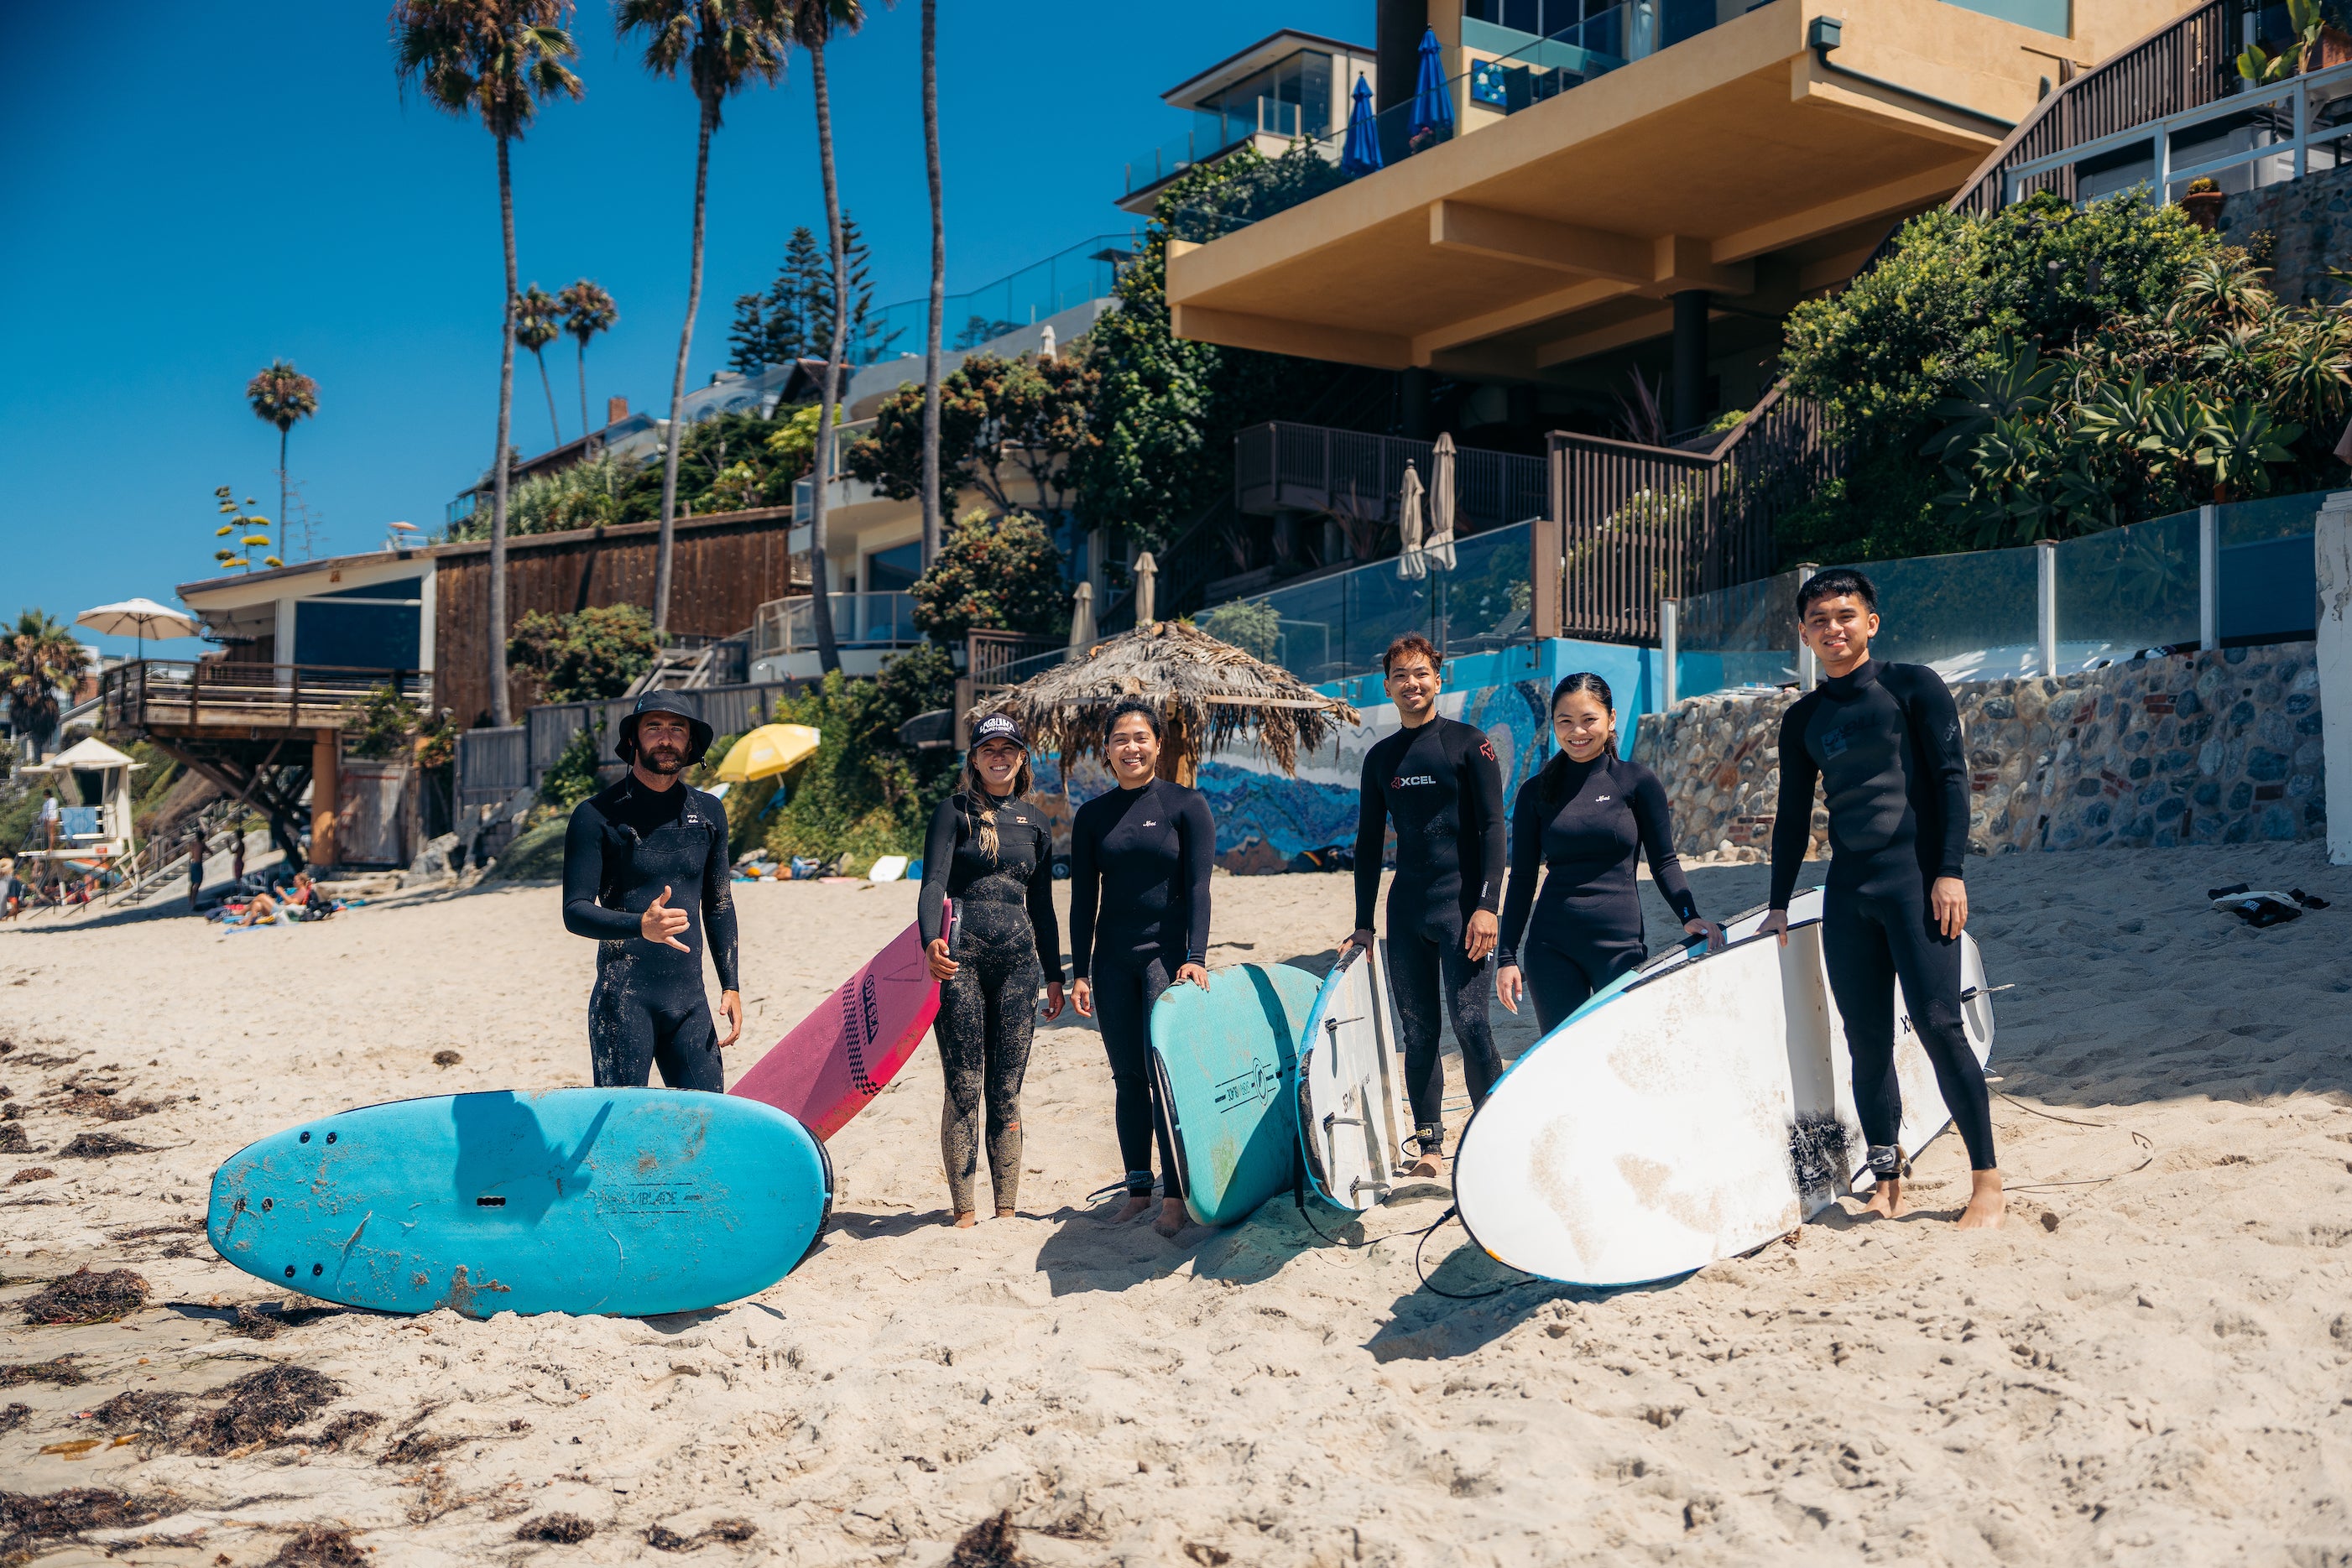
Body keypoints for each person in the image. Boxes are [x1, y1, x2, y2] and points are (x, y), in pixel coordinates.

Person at [1759, 569, 2003, 1230]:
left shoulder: (1911, 686)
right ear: (1804, 633)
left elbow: (1952, 780)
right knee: (1864, 1041)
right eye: (1817, 619)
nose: (1831, 628)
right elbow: (1790, 818)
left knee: (1938, 1024)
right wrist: (1777, 902)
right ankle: (1888, 1176)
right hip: (1849, 891)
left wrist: (1948, 871)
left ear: (1870, 621)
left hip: (1915, 882)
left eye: (1844, 614)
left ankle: (1986, 1182)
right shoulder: (1803, 718)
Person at [1339, 633, 1505, 1180]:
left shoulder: (1469, 743)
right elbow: (1367, 844)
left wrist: (1487, 905)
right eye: (1400, 676)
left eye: (1420, 673)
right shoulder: (1380, 758)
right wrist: (1363, 925)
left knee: (1472, 1023)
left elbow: (1491, 828)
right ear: (1386, 687)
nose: (1411, 683)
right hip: (1406, 911)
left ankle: (1490, 1135)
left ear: (1439, 677)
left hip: (1462, 910)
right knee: (1418, 1033)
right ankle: (1430, 1147)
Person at [1494, 674, 1719, 1033]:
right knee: (1566, 1060)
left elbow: (1664, 861)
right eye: (1564, 721)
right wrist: (1506, 956)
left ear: (1611, 719)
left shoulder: (1637, 782)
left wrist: (1688, 915)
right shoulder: (1535, 793)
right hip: (1551, 947)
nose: (1577, 731)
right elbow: (1522, 878)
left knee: (1625, 1049)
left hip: (1619, 945)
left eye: (1588, 719)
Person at [1066, 698, 1213, 1237]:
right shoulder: (1093, 816)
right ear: (1107, 750)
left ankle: (1176, 1195)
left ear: (1157, 744)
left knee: (1165, 1077)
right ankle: (1138, 1189)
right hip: (1112, 961)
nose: (1131, 747)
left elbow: (1199, 887)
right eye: (1120, 739)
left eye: (1140, 738)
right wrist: (1079, 970)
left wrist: (1195, 958)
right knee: (1128, 1078)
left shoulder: (1185, 805)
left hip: (1166, 959)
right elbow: (1084, 899)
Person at [918, 713, 1065, 1228]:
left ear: (1022, 757)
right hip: (960, 961)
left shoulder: (1036, 821)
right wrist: (929, 942)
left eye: (1008, 749)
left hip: (1020, 965)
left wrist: (1054, 974)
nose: (998, 757)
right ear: (974, 759)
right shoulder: (952, 812)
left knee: (1007, 1088)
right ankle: (964, 1210)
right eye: (988, 749)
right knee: (964, 1084)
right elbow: (932, 885)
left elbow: (1043, 906)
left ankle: (1006, 1207)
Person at [561, 694, 742, 1091]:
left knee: (706, 1124)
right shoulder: (595, 816)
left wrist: (731, 984)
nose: (666, 738)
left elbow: (719, 904)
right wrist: (640, 925)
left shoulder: (709, 812)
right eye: (654, 727)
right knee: (622, 1131)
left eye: (677, 729)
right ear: (633, 742)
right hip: (623, 1001)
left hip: (691, 1003)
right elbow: (574, 911)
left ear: (691, 744)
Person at [184, 821, 206, 909]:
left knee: (192, 883)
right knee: (198, 883)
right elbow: (210, 852)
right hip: (198, 864)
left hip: (192, 863)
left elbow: (192, 853)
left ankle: (190, 900)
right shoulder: (202, 844)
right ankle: (193, 900)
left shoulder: (192, 844)